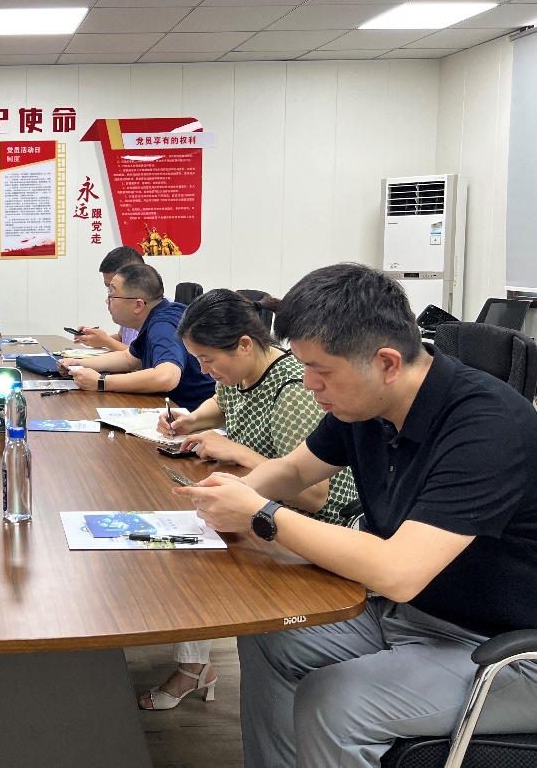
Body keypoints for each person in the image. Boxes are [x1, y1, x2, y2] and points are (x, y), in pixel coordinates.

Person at [174, 264, 537, 768]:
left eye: (320, 370)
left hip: (504, 648)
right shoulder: (365, 404)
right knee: (270, 632)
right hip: (411, 615)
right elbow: (295, 470)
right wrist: (222, 499)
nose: (308, 384)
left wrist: (261, 515)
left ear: (386, 362)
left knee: (337, 702)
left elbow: (400, 571)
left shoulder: (488, 425)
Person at [137, 289, 357, 710]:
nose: (203, 370)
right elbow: (222, 404)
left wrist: (236, 451)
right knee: (190, 528)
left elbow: (314, 495)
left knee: (192, 552)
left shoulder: (293, 388)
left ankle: (194, 669)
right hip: (262, 499)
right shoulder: (238, 375)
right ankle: (194, 665)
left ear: (244, 345)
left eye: (207, 360)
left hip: (310, 525)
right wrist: (190, 420)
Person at [58, 263, 214, 409]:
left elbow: (167, 377)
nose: (107, 300)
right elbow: (129, 359)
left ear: (138, 305)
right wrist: (78, 363)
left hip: (195, 417)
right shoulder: (160, 314)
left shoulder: (162, 326)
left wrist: (101, 382)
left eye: (112, 294)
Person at [73, 245, 144, 352]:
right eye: (108, 288)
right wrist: (97, 340)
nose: (108, 299)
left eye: (113, 288)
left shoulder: (159, 313)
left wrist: (106, 341)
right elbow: (122, 338)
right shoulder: (128, 304)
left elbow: (141, 356)